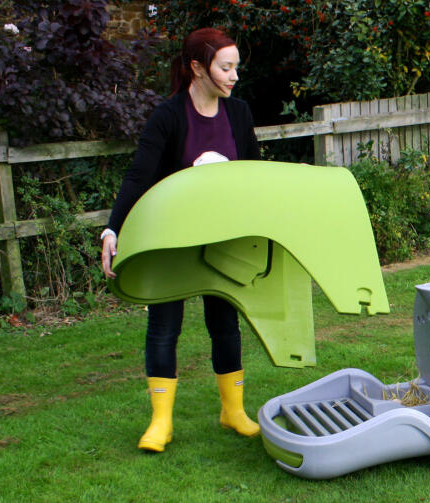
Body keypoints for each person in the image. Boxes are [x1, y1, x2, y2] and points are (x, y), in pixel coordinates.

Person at [99, 28, 261, 453]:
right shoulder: (169, 116)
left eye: (236, 67)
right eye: (226, 68)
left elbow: (256, 178)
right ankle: (161, 422)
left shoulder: (239, 114)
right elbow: (138, 176)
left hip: (222, 242)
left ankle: (233, 411)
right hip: (170, 244)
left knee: (224, 324)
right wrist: (113, 228)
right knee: (163, 327)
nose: (234, 76)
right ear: (196, 68)